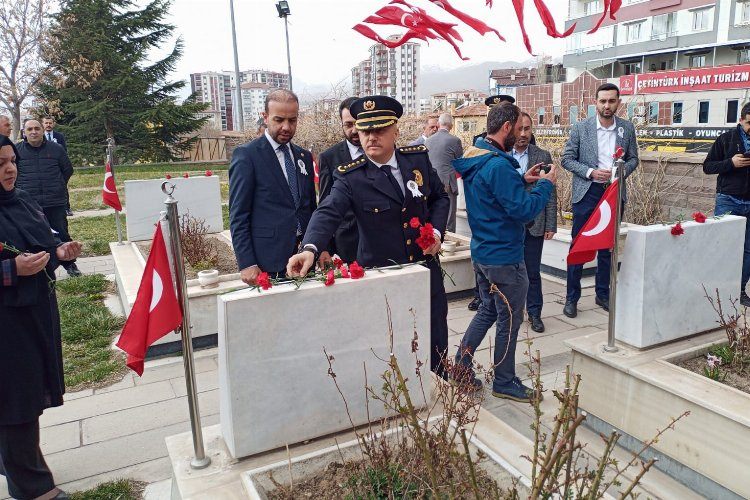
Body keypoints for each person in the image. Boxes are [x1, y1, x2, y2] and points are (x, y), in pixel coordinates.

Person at [287, 95, 451, 376]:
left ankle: (441, 395)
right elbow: (328, 211)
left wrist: (435, 232)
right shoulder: (351, 177)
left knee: (434, 335)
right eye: (365, 131)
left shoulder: (417, 161)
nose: (371, 137)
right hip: (383, 278)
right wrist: (310, 248)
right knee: (388, 348)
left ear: (396, 131)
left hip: (425, 272)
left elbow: (440, 197)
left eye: (380, 129)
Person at [452, 102, 556, 402]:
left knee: (487, 310)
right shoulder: (499, 166)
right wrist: (546, 186)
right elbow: (524, 212)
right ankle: (505, 380)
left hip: (483, 253)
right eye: (518, 128)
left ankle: (460, 365)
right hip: (505, 258)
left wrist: (521, 181)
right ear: (507, 127)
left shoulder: (480, 157)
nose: (522, 135)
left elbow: (492, 193)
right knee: (509, 318)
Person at [0, 134, 82, 500]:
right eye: (0, 164)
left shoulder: (20, 200)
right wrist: (11, 270)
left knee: (27, 393)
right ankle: (32, 487)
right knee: (15, 400)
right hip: (5, 327)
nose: (9, 169)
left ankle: (12, 461)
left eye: (11, 160)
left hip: (32, 314)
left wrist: (60, 251)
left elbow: (42, 241)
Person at [561, 83, 638, 318]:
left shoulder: (626, 128)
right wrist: (590, 172)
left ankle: (602, 294)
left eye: (611, 101)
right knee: (579, 245)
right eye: (602, 101)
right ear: (596, 102)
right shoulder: (581, 128)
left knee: (608, 246)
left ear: (618, 103)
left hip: (613, 193)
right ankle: (571, 298)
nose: (607, 105)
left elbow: (634, 158)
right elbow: (566, 159)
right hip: (587, 193)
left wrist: (622, 171)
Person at [228, 89, 317, 286]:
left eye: (292, 120)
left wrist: (319, 246)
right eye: (279, 120)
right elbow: (238, 214)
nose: (286, 127)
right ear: (265, 117)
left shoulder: (303, 157)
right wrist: (247, 262)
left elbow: (311, 207)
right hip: (267, 262)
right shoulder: (247, 156)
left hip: (304, 259)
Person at [15, 119, 81, 278]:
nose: (33, 132)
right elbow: (12, 172)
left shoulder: (56, 149)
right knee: (31, 237)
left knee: (62, 235)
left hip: (55, 202)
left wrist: (57, 185)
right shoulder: (17, 150)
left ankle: (70, 265)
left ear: (43, 130)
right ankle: (38, 269)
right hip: (29, 204)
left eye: (37, 128)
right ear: (24, 132)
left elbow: (67, 170)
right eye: (29, 129)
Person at [511, 112, 557, 333]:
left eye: (527, 129)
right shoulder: (501, 155)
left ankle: (535, 313)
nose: (523, 134)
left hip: (534, 224)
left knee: (532, 272)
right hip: (509, 224)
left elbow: (550, 192)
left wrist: (550, 224)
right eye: (519, 129)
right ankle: (512, 311)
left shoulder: (542, 155)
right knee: (509, 272)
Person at [703, 101, 750, 306]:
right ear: (741, 120)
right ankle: (716, 289)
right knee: (720, 245)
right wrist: (731, 163)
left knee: (749, 250)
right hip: (728, 200)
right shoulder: (726, 139)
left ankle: (739, 289)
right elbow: (708, 166)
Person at [317, 97, 363, 263]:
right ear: (342, 125)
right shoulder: (329, 157)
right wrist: (324, 248)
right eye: (349, 125)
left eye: (359, 123)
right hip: (347, 244)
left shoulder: (381, 151)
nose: (355, 129)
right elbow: (325, 205)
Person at [425, 113, 463, 233]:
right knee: (449, 216)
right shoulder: (455, 140)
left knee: (432, 213)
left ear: (438, 124)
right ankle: (450, 243)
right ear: (451, 126)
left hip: (430, 183)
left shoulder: (428, 141)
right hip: (448, 183)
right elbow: (460, 162)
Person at [42, 116, 72, 217]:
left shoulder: (59, 136)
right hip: (45, 166)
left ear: (53, 124)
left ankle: (67, 208)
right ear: (43, 124)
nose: (48, 125)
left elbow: (64, 151)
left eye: (50, 123)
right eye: (46, 123)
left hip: (57, 166)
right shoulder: (40, 136)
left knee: (63, 186)